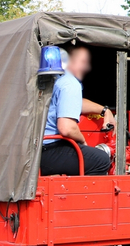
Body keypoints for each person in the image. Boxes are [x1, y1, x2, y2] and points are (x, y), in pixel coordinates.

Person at [40, 45, 114, 176]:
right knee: (101, 160)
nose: (86, 68)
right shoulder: (69, 82)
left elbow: (73, 103)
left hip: (32, 151)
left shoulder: (46, 79)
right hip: (49, 149)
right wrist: (82, 141)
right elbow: (67, 128)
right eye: (83, 62)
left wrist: (104, 110)